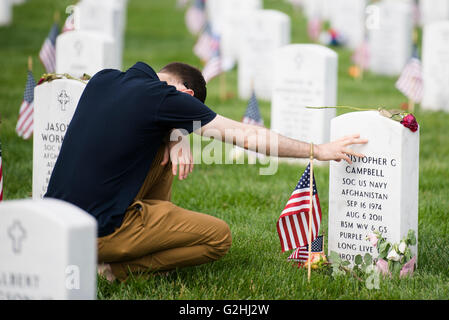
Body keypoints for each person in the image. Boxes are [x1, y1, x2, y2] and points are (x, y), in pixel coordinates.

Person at [45, 61, 367, 282]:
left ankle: (144, 230)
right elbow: (247, 135)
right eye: (189, 113)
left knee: (162, 147)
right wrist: (318, 150)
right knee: (219, 237)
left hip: (56, 223)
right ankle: (113, 270)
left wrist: (175, 133)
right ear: (185, 96)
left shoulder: (105, 78)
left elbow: (135, 119)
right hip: (101, 233)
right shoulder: (165, 98)